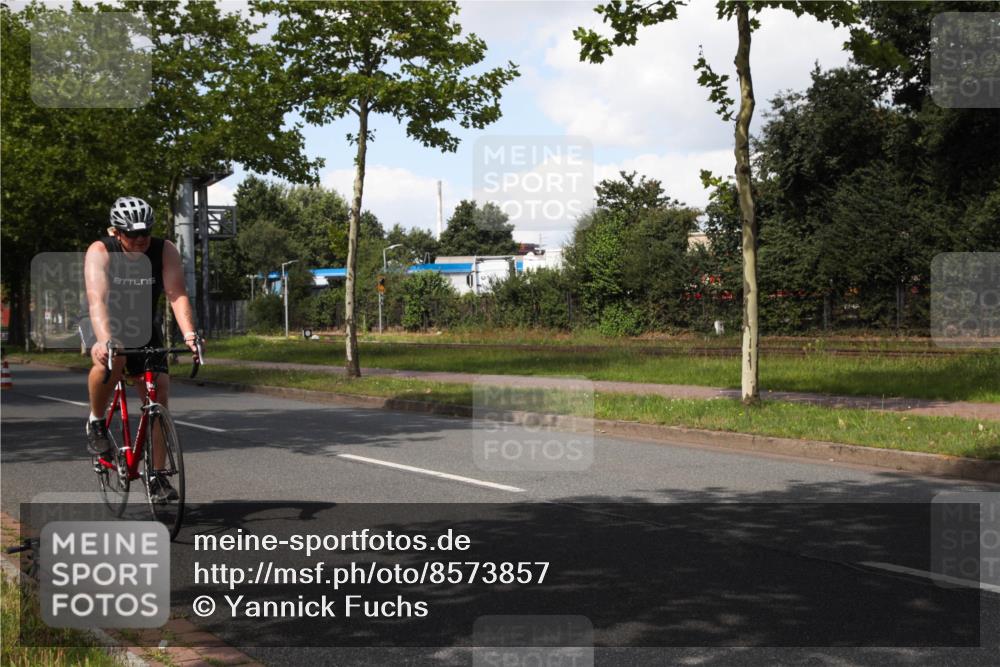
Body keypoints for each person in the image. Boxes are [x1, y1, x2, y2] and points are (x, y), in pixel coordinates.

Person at [83, 196, 201, 501]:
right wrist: (104, 339)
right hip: (103, 321)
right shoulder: (101, 251)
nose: (140, 240)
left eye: (145, 232)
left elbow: (176, 294)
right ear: (116, 232)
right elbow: (97, 300)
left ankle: (157, 476)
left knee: (159, 390)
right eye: (132, 234)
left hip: (144, 326)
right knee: (113, 359)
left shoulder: (164, 250)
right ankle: (96, 421)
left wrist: (190, 335)